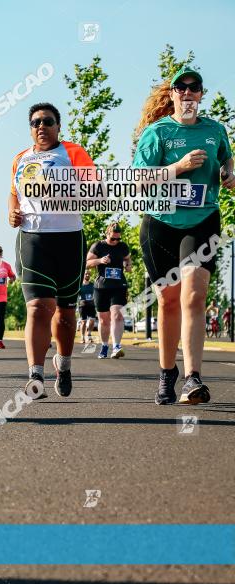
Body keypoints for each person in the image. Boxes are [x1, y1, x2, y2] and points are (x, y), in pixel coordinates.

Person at [134, 66, 234, 405]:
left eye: (195, 88)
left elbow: (228, 163)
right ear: (173, 94)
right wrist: (179, 167)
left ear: (201, 94)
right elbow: (138, 179)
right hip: (160, 223)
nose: (188, 93)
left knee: (194, 295)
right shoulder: (157, 132)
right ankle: (167, 372)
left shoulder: (215, 130)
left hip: (203, 219)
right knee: (169, 300)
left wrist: (230, 174)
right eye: (182, 88)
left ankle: (193, 378)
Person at [9, 103, 95, 399]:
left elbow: (94, 188)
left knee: (66, 314)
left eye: (47, 121)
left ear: (59, 126)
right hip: (33, 239)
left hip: (69, 239)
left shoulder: (73, 153)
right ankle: (35, 375)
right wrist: (13, 212)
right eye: (35, 123)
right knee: (37, 307)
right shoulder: (21, 158)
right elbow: (13, 193)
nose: (41, 127)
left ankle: (65, 363)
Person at [86, 223, 132, 359]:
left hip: (119, 286)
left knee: (117, 314)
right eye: (113, 239)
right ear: (107, 235)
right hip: (101, 287)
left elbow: (128, 260)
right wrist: (100, 260)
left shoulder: (123, 247)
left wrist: (128, 265)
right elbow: (87, 263)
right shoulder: (98, 246)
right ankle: (105, 345)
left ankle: (116, 346)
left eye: (118, 239)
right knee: (103, 320)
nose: (116, 242)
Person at [77, 271, 97, 345]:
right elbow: (76, 295)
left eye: (89, 274)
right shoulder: (80, 285)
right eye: (86, 274)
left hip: (91, 305)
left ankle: (89, 334)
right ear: (83, 275)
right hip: (83, 305)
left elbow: (96, 294)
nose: (87, 275)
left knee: (92, 320)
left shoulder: (92, 285)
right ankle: (82, 337)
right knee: (83, 322)